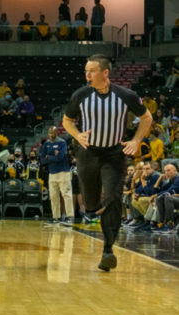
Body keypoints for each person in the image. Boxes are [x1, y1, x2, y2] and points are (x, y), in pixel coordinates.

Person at [61, 55, 153, 272]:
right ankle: (94, 209)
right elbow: (67, 120)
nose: (87, 75)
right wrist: (77, 135)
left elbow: (147, 117)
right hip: (87, 154)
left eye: (92, 71)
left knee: (113, 198)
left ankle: (108, 250)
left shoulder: (126, 95)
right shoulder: (81, 95)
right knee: (91, 203)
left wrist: (136, 140)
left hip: (114, 154)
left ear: (105, 73)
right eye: (86, 71)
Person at [41, 126, 73, 225]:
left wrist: (48, 157)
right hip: (52, 173)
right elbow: (42, 160)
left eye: (53, 133)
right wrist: (52, 156)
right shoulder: (46, 143)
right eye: (50, 133)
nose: (51, 135)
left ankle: (69, 217)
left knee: (66, 195)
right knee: (53, 196)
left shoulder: (62, 142)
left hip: (63, 172)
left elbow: (60, 157)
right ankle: (56, 217)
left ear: (57, 133)